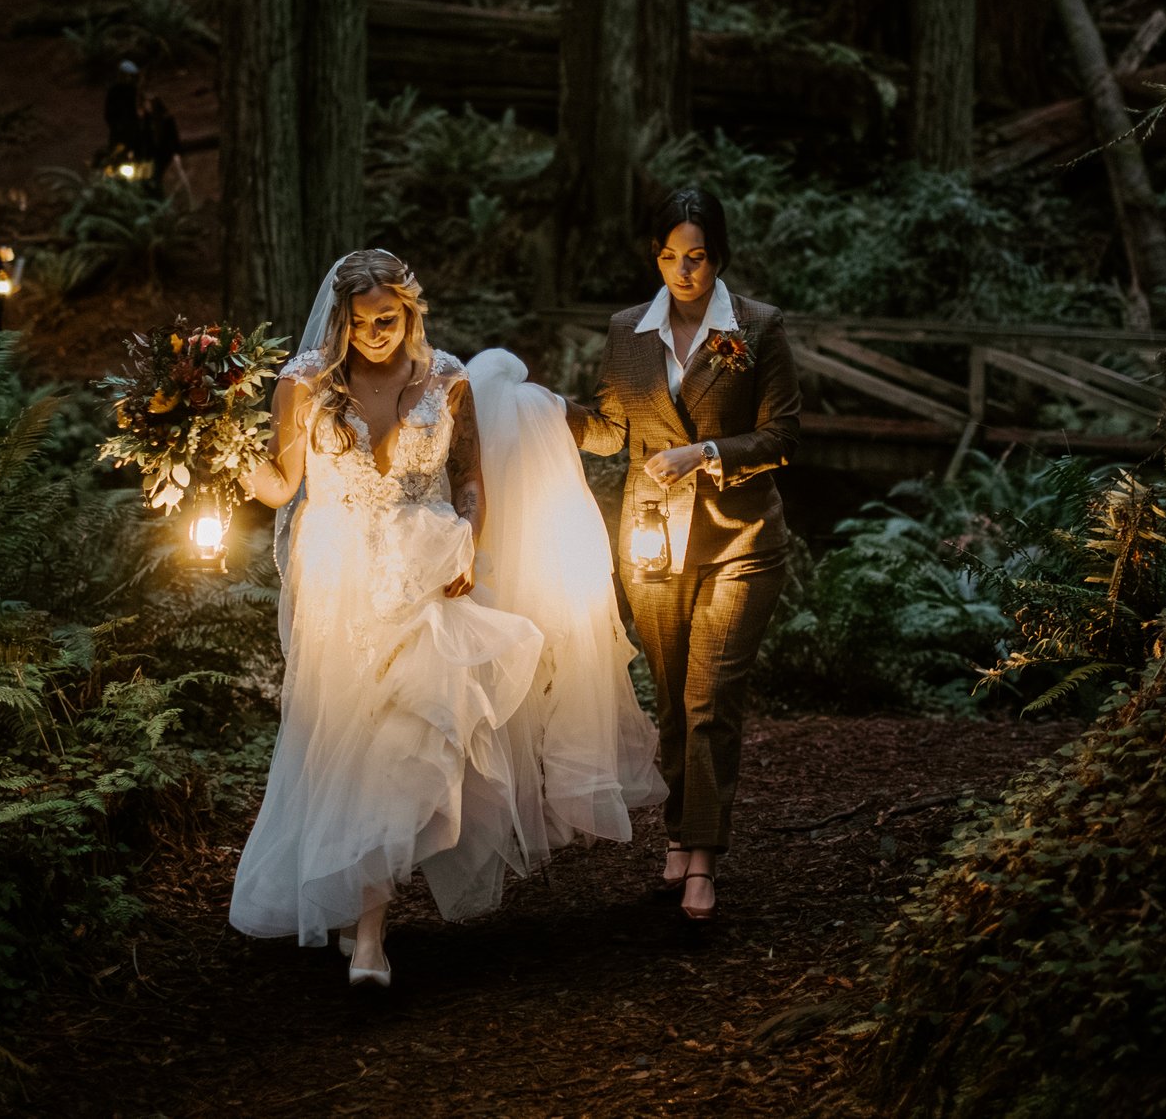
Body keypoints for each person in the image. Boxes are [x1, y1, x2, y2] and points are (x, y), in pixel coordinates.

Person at [227, 249, 659, 986]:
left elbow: (470, 481)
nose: (375, 335)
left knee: (408, 740)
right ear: (339, 320)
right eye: (360, 323)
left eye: (387, 320)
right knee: (345, 742)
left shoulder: (447, 380)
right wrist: (224, 446)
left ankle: (370, 934)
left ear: (410, 313)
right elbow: (280, 484)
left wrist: (467, 535)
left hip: (427, 575)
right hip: (339, 584)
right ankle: (355, 901)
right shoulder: (304, 383)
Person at [565, 188, 801, 921]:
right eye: (669, 256)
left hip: (740, 540)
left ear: (718, 255)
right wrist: (552, 415)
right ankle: (678, 832)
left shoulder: (758, 327)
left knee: (709, 696)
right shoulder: (626, 331)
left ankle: (703, 853)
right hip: (653, 542)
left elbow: (783, 436)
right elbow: (613, 430)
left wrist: (705, 454)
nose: (683, 271)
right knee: (670, 696)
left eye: (696, 256)